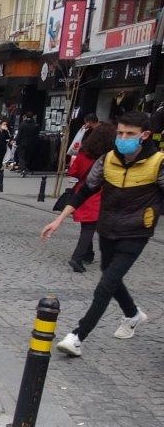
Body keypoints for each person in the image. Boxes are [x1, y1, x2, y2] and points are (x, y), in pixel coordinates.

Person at [42, 111, 155, 356]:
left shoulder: (157, 163)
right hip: (107, 229)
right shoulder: (108, 160)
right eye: (121, 133)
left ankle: (77, 336)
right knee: (109, 276)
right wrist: (59, 219)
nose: (123, 138)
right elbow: (85, 191)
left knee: (105, 285)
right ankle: (133, 314)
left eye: (130, 134)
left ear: (144, 135)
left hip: (135, 233)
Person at [63, 122, 115, 272]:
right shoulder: (110, 157)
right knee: (89, 227)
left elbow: (73, 172)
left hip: (83, 191)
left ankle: (88, 254)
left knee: (87, 225)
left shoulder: (83, 153)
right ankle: (77, 257)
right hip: (99, 193)